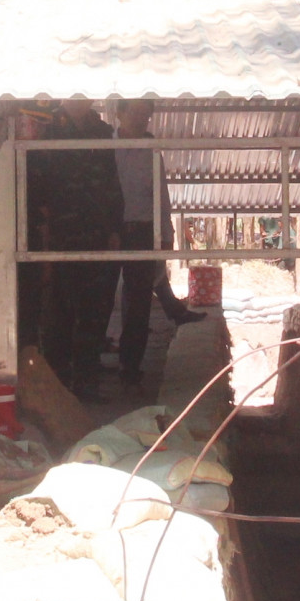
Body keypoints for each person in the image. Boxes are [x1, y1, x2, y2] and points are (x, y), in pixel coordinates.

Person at [112, 100, 203, 388]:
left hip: (141, 230)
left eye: (145, 115)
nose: (141, 120)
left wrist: (166, 232)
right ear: (119, 113)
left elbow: (160, 192)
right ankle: (87, 366)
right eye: (135, 113)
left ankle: (130, 365)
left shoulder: (151, 149)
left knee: (137, 299)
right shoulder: (102, 145)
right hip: (109, 230)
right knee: (99, 297)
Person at [38, 99, 122, 400]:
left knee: (94, 310)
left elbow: (112, 182)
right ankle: (57, 386)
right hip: (59, 232)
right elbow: (37, 181)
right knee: (58, 311)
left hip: (96, 232)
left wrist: (114, 228)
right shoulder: (47, 127)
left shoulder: (101, 131)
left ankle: (87, 381)